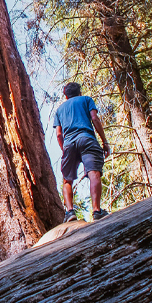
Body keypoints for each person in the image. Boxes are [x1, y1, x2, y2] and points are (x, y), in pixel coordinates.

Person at [54, 82, 110, 223]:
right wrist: (104, 141)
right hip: (87, 139)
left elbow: (59, 134)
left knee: (67, 179)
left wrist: (64, 149)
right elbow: (95, 118)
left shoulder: (60, 110)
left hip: (69, 144)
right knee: (94, 172)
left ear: (66, 95)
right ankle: (97, 211)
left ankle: (70, 212)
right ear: (79, 92)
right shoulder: (86, 100)